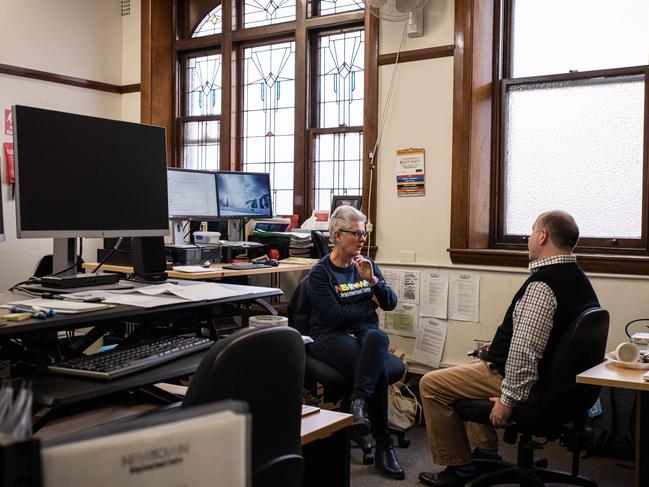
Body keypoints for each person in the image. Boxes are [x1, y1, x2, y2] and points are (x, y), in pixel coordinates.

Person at [418, 210, 600, 487]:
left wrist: (507, 399)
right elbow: (547, 338)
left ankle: (459, 469)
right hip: (557, 387)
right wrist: (498, 348)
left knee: (432, 384)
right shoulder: (577, 278)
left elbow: (525, 351)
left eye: (531, 231)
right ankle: (487, 455)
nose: (528, 237)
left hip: (526, 385)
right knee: (477, 366)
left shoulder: (543, 285)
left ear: (542, 236)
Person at [307, 205, 405, 480]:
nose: (363, 239)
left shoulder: (366, 266)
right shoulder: (320, 273)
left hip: (365, 337)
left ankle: (359, 403)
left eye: (364, 233)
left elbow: (390, 303)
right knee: (379, 369)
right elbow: (336, 316)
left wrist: (373, 282)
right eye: (357, 233)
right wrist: (368, 305)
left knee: (377, 336)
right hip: (328, 337)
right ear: (337, 236)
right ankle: (385, 443)